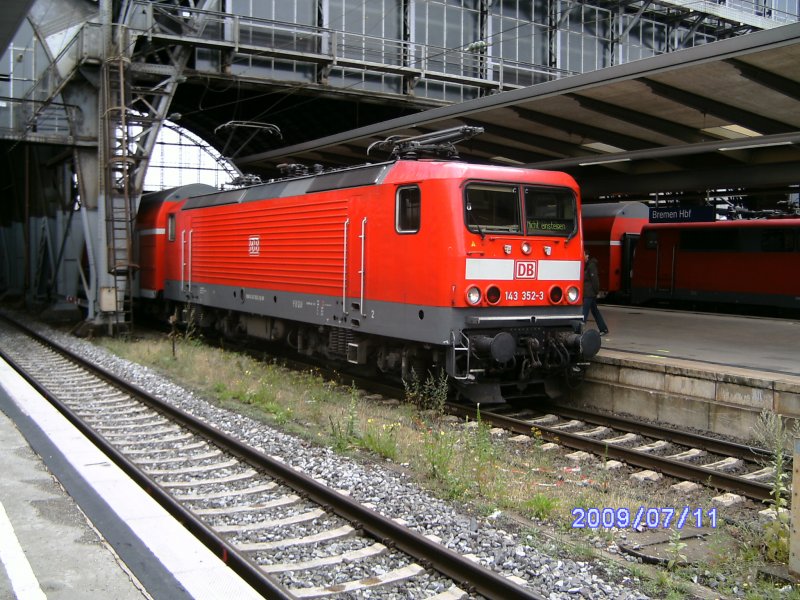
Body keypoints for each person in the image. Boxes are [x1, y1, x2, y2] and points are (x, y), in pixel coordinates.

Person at [583, 251, 609, 335]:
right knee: (595, 311)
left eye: (583, 255)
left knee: (584, 311)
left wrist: (596, 291)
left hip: (589, 293)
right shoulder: (586, 265)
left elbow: (595, 280)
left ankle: (579, 330)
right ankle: (603, 329)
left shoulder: (591, 266)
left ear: (587, 255)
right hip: (588, 292)